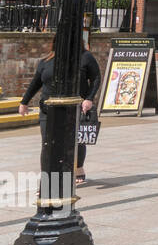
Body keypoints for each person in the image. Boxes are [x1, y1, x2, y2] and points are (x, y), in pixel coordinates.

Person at [19, 35, 101, 186]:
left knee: (76, 141)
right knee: (47, 144)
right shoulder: (46, 61)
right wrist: (24, 102)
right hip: (48, 110)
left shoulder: (85, 57)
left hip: (75, 107)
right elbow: (36, 82)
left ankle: (78, 167)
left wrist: (89, 98)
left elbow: (96, 78)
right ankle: (48, 181)